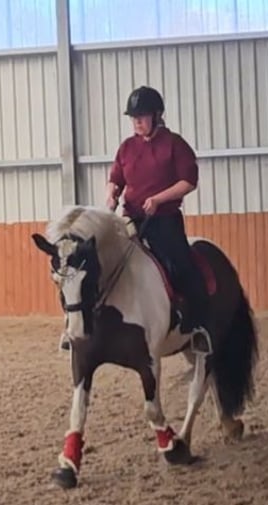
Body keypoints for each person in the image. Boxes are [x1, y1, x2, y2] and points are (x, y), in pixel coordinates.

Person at [106, 86, 212, 355]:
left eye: (141, 116)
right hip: (131, 218)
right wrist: (111, 194)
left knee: (181, 265)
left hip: (163, 220)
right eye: (133, 117)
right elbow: (115, 178)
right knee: (102, 261)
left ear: (157, 115)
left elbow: (188, 182)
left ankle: (198, 327)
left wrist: (158, 199)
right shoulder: (127, 148)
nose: (136, 122)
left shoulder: (174, 144)